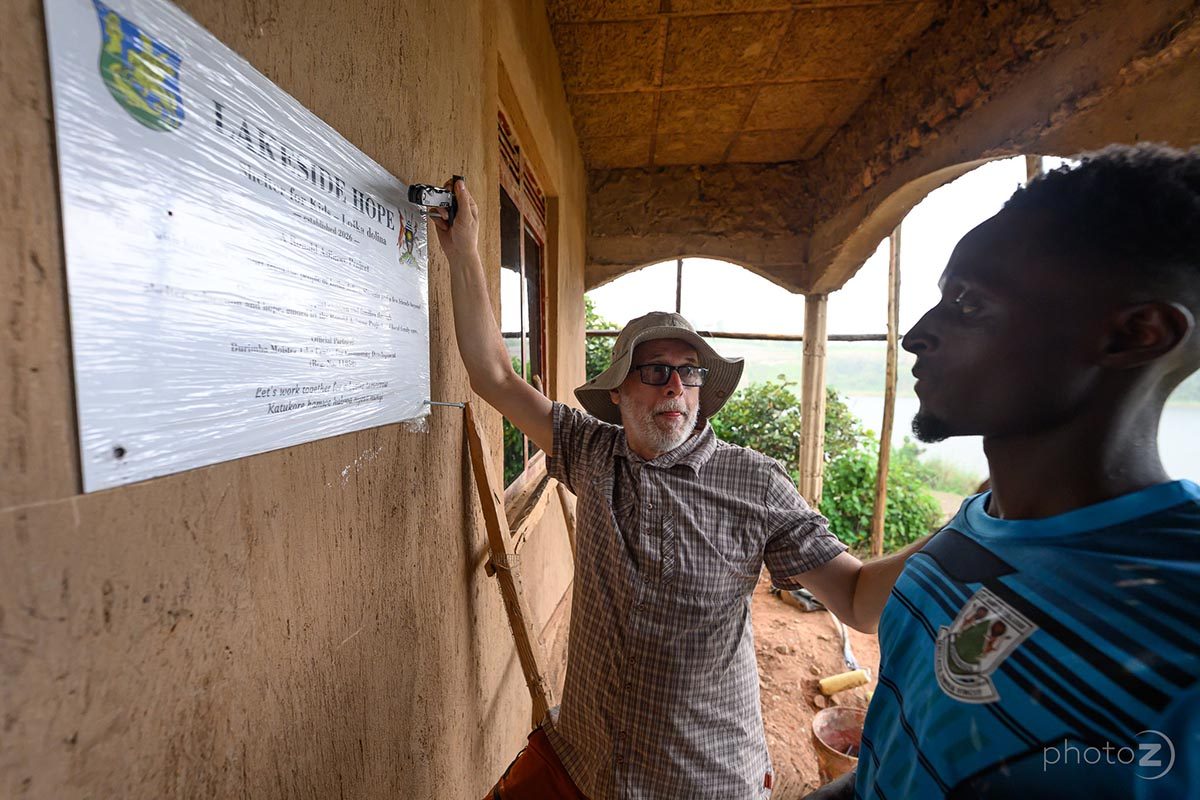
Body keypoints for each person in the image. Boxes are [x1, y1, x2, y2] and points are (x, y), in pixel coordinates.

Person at [431, 180, 929, 800]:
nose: (675, 386)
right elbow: (494, 375)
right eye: (655, 371)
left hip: (701, 780)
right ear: (618, 392)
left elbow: (856, 598)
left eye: (689, 373)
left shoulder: (755, 483)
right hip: (585, 759)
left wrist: (965, 533)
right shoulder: (593, 451)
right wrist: (466, 251)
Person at [806, 143, 1200, 799]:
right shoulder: (972, 531)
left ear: (1134, 334)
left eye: (968, 302)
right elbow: (904, 753)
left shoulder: (1180, 619)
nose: (917, 334)